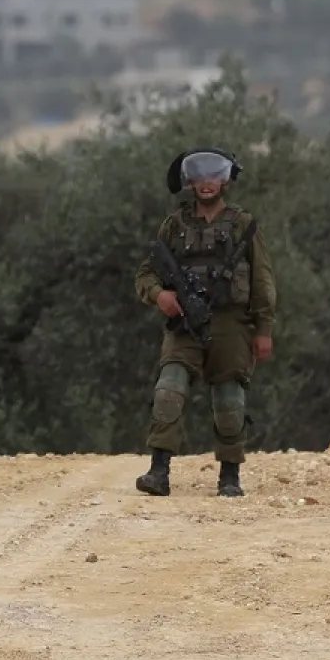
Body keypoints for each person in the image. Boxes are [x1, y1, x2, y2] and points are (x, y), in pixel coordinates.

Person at [133, 147, 277, 498]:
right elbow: (146, 274)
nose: (207, 183)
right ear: (190, 182)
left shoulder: (243, 224)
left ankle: (230, 475)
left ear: (226, 181)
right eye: (199, 176)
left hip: (232, 324)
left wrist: (264, 330)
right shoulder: (174, 226)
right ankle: (158, 470)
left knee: (230, 399)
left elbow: (262, 280)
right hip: (185, 322)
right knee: (169, 388)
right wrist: (160, 296)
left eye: (214, 175)